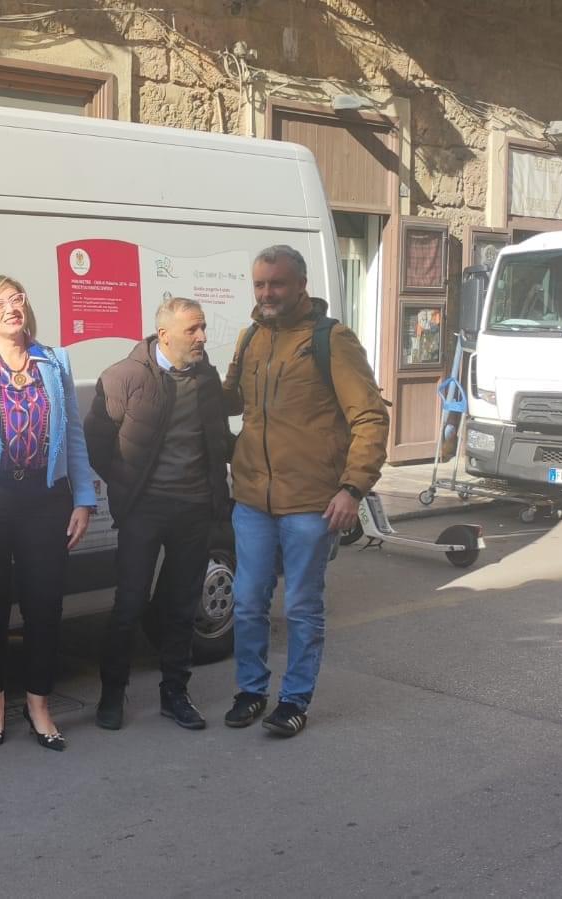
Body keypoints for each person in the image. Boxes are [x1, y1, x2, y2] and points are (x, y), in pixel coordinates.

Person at [222, 245, 388, 737]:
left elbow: (370, 417)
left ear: (300, 285)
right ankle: (251, 690)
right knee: (247, 603)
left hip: (311, 503)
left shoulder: (331, 340)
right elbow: (230, 400)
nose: (267, 293)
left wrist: (352, 489)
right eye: (259, 284)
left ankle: (294, 699)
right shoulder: (250, 337)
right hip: (252, 498)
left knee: (300, 606)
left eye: (276, 283)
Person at [0, 274, 96, 752]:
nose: (12, 308)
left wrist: (83, 497)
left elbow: (73, 432)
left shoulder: (53, 359)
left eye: (17, 299)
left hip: (45, 497)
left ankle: (39, 705)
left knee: (44, 603)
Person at [83, 297, 233, 732]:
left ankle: (175, 694)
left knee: (182, 606)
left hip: (195, 509)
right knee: (129, 604)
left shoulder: (206, 378)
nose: (202, 337)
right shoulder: (124, 377)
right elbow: (96, 442)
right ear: (164, 335)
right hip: (144, 511)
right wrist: (126, 484)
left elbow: (217, 438)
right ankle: (113, 694)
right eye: (193, 330)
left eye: (203, 328)